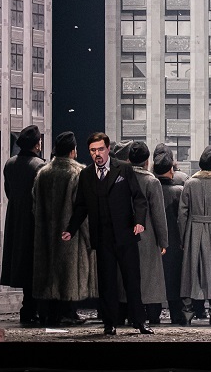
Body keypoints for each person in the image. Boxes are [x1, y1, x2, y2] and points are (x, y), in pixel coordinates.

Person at [62, 132, 154, 336]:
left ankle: (139, 321)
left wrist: (139, 221)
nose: (97, 154)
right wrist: (71, 229)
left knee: (132, 281)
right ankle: (109, 323)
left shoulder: (124, 169)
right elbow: (81, 206)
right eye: (93, 150)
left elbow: (139, 198)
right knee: (107, 283)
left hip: (126, 235)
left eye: (100, 149)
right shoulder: (86, 175)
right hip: (102, 237)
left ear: (108, 149)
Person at [31, 130, 94, 327]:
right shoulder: (78, 173)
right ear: (73, 151)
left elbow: (34, 205)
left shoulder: (43, 173)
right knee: (69, 274)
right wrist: (90, 238)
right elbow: (83, 210)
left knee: (49, 272)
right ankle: (68, 312)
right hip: (71, 236)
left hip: (45, 235)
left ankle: (50, 313)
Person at [177, 145, 211, 325]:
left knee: (190, 271)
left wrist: (183, 238)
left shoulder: (189, 184)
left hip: (192, 230)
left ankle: (187, 312)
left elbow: (182, 214)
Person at [0, 124, 45, 326]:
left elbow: (8, 191)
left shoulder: (10, 164)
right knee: (34, 263)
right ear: (37, 144)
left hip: (15, 217)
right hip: (33, 219)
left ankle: (28, 308)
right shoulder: (39, 166)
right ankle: (31, 308)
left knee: (21, 261)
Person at [120, 141, 168, 327]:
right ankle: (153, 315)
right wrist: (163, 241)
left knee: (126, 275)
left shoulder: (120, 178)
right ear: (147, 161)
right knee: (150, 277)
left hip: (125, 235)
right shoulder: (151, 182)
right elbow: (158, 214)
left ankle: (128, 313)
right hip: (147, 237)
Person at [153, 145, 187, 324]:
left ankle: (153, 314)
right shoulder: (178, 191)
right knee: (174, 278)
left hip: (154, 240)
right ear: (171, 170)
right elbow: (182, 218)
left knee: (155, 277)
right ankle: (176, 314)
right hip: (174, 240)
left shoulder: (151, 188)